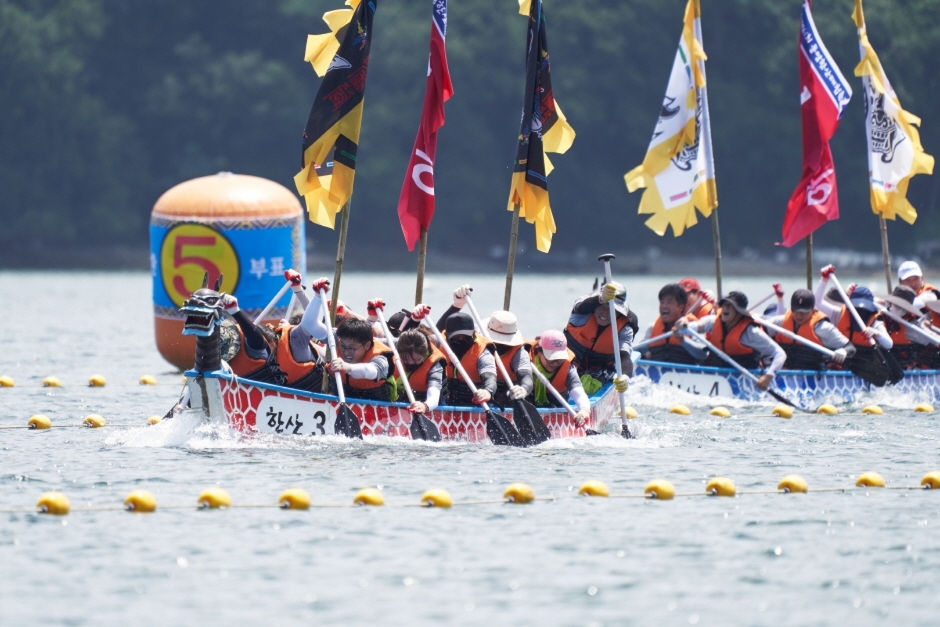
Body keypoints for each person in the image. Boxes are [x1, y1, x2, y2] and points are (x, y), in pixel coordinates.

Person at [676, 291, 786, 391]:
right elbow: (695, 326)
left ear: (739, 312)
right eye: (724, 305)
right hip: (719, 378)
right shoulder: (713, 322)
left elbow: (780, 354)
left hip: (745, 382)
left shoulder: (751, 333)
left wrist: (768, 376)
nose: (725, 308)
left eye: (730, 306)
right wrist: (683, 326)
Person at [564, 281, 634, 396]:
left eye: (612, 310)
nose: (605, 314)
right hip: (569, 365)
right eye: (603, 306)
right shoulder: (583, 311)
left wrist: (625, 377)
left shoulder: (625, 328)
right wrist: (601, 299)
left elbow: (624, 356)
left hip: (600, 369)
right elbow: (581, 307)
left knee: (589, 387)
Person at [761, 289, 853, 370]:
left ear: (812, 309)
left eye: (804, 312)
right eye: (796, 311)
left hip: (811, 376)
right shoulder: (778, 323)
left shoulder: (823, 328)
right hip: (780, 373)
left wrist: (844, 351)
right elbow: (755, 335)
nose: (799, 316)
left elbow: (850, 347)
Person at [218, 293, 288, 385]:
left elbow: (255, 336)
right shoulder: (258, 347)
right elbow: (255, 336)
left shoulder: (254, 346)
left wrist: (234, 311)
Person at [529, 330, 591, 426]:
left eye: (560, 359)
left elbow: (579, 393)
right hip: (528, 401)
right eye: (552, 359)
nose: (556, 363)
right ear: (539, 352)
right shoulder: (524, 361)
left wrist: (584, 410)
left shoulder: (568, 369)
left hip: (557, 403)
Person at [439, 311, 498, 407]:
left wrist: (487, 391)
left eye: (466, 338)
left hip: (473, 404)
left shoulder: (483, 351)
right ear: (447, 336)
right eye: (456, 339)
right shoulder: (438, 342)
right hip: (443, 403)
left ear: (474, 334)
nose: (461, 341)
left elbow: (490, 375)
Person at [481, 310, 533, 407]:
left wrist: (524, 389)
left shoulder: (519, 351)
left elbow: (526, 376)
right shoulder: (478, 345)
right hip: (482, 393)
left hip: (509, 395)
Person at [640, 283, 701, 364]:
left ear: (681, 307)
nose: (664, 306)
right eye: (662, 302)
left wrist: (683, 340)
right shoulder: (652, 328)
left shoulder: (693, 327)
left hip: (686, 374)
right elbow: (637, 351)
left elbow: (703, 354)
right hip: (656, 375)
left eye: (669, 302)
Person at [394, 322, 447, 413]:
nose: (411, 362)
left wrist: (425, 406)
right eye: (406, 359)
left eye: (417, 359)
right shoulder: (395, 344)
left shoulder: (435, 365)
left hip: (431, 408)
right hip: (405, 401)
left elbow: (434, 395)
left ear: (424, 353)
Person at [883, 285, 937, 369]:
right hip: (886, 366)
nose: (897, 308)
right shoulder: (881, 313)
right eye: (896, 304)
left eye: (902, 307)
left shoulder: (914, 326)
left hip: (910, 370)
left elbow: (934, 339)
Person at [898, 261, 940, 327]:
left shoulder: (931, 294)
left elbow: (915, 304)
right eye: (908, 280)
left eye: (916, 279)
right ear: (900, 283)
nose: (913, 283)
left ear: (922, 278)